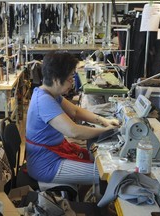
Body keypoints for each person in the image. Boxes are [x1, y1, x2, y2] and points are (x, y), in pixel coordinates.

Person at [25, 51, 120, 186]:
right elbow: (73, 131)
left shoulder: (49, 93)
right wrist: (107, 130)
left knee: (98, 162)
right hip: (46, 164)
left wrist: (103, 120)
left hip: (51, 155)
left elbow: (75, 111)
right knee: (107, 175)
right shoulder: (44, 101)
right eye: (70, 79)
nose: (71, 83)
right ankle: (98, 205)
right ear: (56, 80)